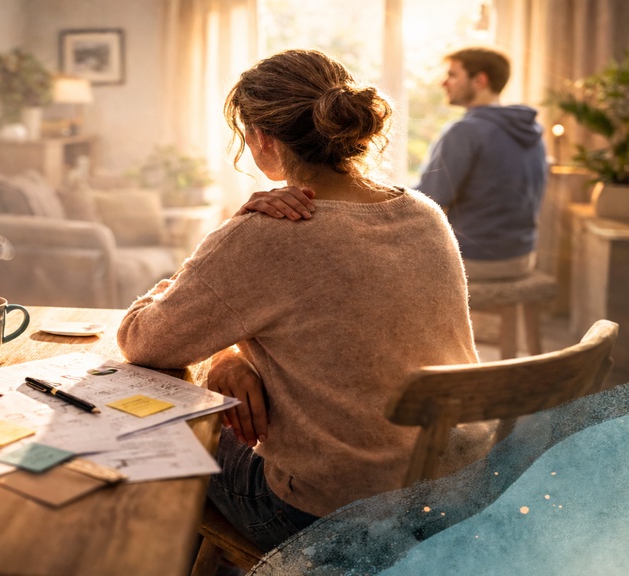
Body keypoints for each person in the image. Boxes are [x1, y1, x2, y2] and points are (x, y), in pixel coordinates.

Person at [116, 49, 478, 552]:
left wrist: (232, 231)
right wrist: (228, 356)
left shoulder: (268, 233)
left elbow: (143, 340)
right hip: (457, 494)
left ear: (263, 138)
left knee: (166, 426)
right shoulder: (424, 213)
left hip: (329, 515)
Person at [415, 46, 548, 280]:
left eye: (452, 75)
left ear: (480, 80)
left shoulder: (465, 131)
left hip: (476, 259)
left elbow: (429, 200)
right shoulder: (531, 130)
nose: (444, 83)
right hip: (522, 256)